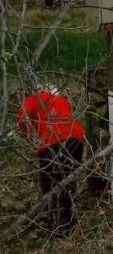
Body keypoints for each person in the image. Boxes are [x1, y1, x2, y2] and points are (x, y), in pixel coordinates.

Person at [18, 86, 87, 237]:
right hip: (77, 137)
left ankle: (57, 229)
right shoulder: (62, 100)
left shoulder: (32, 99)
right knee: (68, 180)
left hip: (53, 141)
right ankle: (70, 224)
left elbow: (21, 119)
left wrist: (30, 137)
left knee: (51, 184)